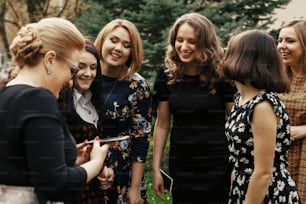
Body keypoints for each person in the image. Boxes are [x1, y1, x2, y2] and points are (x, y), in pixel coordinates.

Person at [0, 17, 110, 203]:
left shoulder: (6, 94)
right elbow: (55, 185)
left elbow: (23, 165)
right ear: (50, 60)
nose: (70, 80)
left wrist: (68, 156)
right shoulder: (38, 99)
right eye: (72, 69)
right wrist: (96, 163)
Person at [152, 12, 236, 203]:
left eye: (192, 41)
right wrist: (156, 169)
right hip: (181, 163)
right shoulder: (165, 74)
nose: (184, 46)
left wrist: (237, 166)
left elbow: (235, 122)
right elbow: (163, 124)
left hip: (218, 162)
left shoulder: (221, 74)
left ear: (205, 43)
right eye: (179, 40)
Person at [219, 29, 300, 203]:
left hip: (268, 193)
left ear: (244, 59)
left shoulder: (262, 106)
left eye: (231, 51)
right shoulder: (240, 99)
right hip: (244, 187)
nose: (225, 56)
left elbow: (263, 172)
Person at [94, 19, 152, 204]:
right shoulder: (85, 75)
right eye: (113, 40)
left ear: (132, 52)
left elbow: (141, 137)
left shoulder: (137, 86)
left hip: (123, 169)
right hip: (85, 164)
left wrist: (134, 187)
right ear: (102, 40)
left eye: (126, 45)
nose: (118, 48)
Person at [58, 39, 114, 203]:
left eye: (93, 67)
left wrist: (105, 169)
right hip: (72, 188)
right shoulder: (60, 101)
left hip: (94, 187)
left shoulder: (94, 99)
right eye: (81, 66)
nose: (88, 73)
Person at [277, 19, 306, 203]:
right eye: (279, 40)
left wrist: (304, 130)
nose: (282, 46)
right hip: (279, 156)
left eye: (290, 40)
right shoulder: (275, 78)